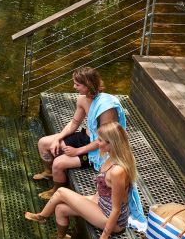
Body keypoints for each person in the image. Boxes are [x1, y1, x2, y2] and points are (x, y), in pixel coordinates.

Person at [24, 122, 137, 239]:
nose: (97, 143)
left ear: (111, 143)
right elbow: (106, 190)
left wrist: (104, 238)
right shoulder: (110, 157)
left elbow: (116, 209)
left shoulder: (118, 171)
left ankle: (42, 216)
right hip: (101, 203)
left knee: (61, 192)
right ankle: (61, 238)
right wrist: (94, 199)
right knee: (60, 209)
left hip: (111, 219)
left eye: (100, 140)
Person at [32, 66, 125, 200]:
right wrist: (58, 138)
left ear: (89, 85)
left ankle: (56, 190)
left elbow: (105, 140)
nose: (74, 87)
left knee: (58, 163)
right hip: (85, 136)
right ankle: (48, 172)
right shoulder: (82, 98)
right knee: (43, 143)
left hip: (99, 147)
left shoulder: (106, 108)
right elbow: (75, 123)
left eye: (78, 84)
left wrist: (78, 151)